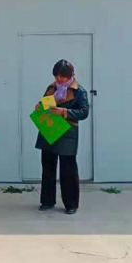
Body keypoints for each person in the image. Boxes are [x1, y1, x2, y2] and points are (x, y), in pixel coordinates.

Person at [35, 60, 90, 215]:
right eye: (57, 76)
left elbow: (84, 112)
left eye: (63, 76)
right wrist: (39, 106)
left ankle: (71, 204)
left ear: (70, 75)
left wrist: (64, 112)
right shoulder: (51, 88)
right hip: (50, 129)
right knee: (48, 166)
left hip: (67, 133)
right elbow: (44, 103)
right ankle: (47, 201)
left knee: (68, 169)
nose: (59, 79)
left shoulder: (79, 91)